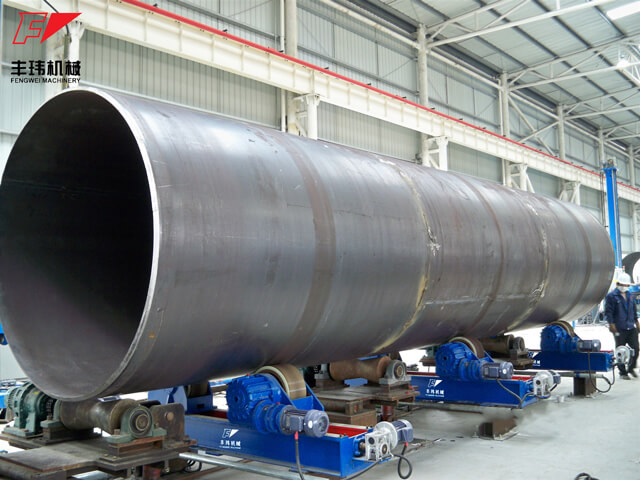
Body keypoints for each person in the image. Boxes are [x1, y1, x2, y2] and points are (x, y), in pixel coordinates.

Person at [605, 272, 639, 379]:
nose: (624, 286)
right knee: (621, 351)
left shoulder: (630, 295)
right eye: (622, 284)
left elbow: (633, 310)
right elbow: (608, 312)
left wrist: (637, 322)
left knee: (636, 348)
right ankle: (622, 372)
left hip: (631, 327)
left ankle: (631, 368)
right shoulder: (611, 296)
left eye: (626, 285)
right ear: (617, 284)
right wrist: (611, 324)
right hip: (619, 328)